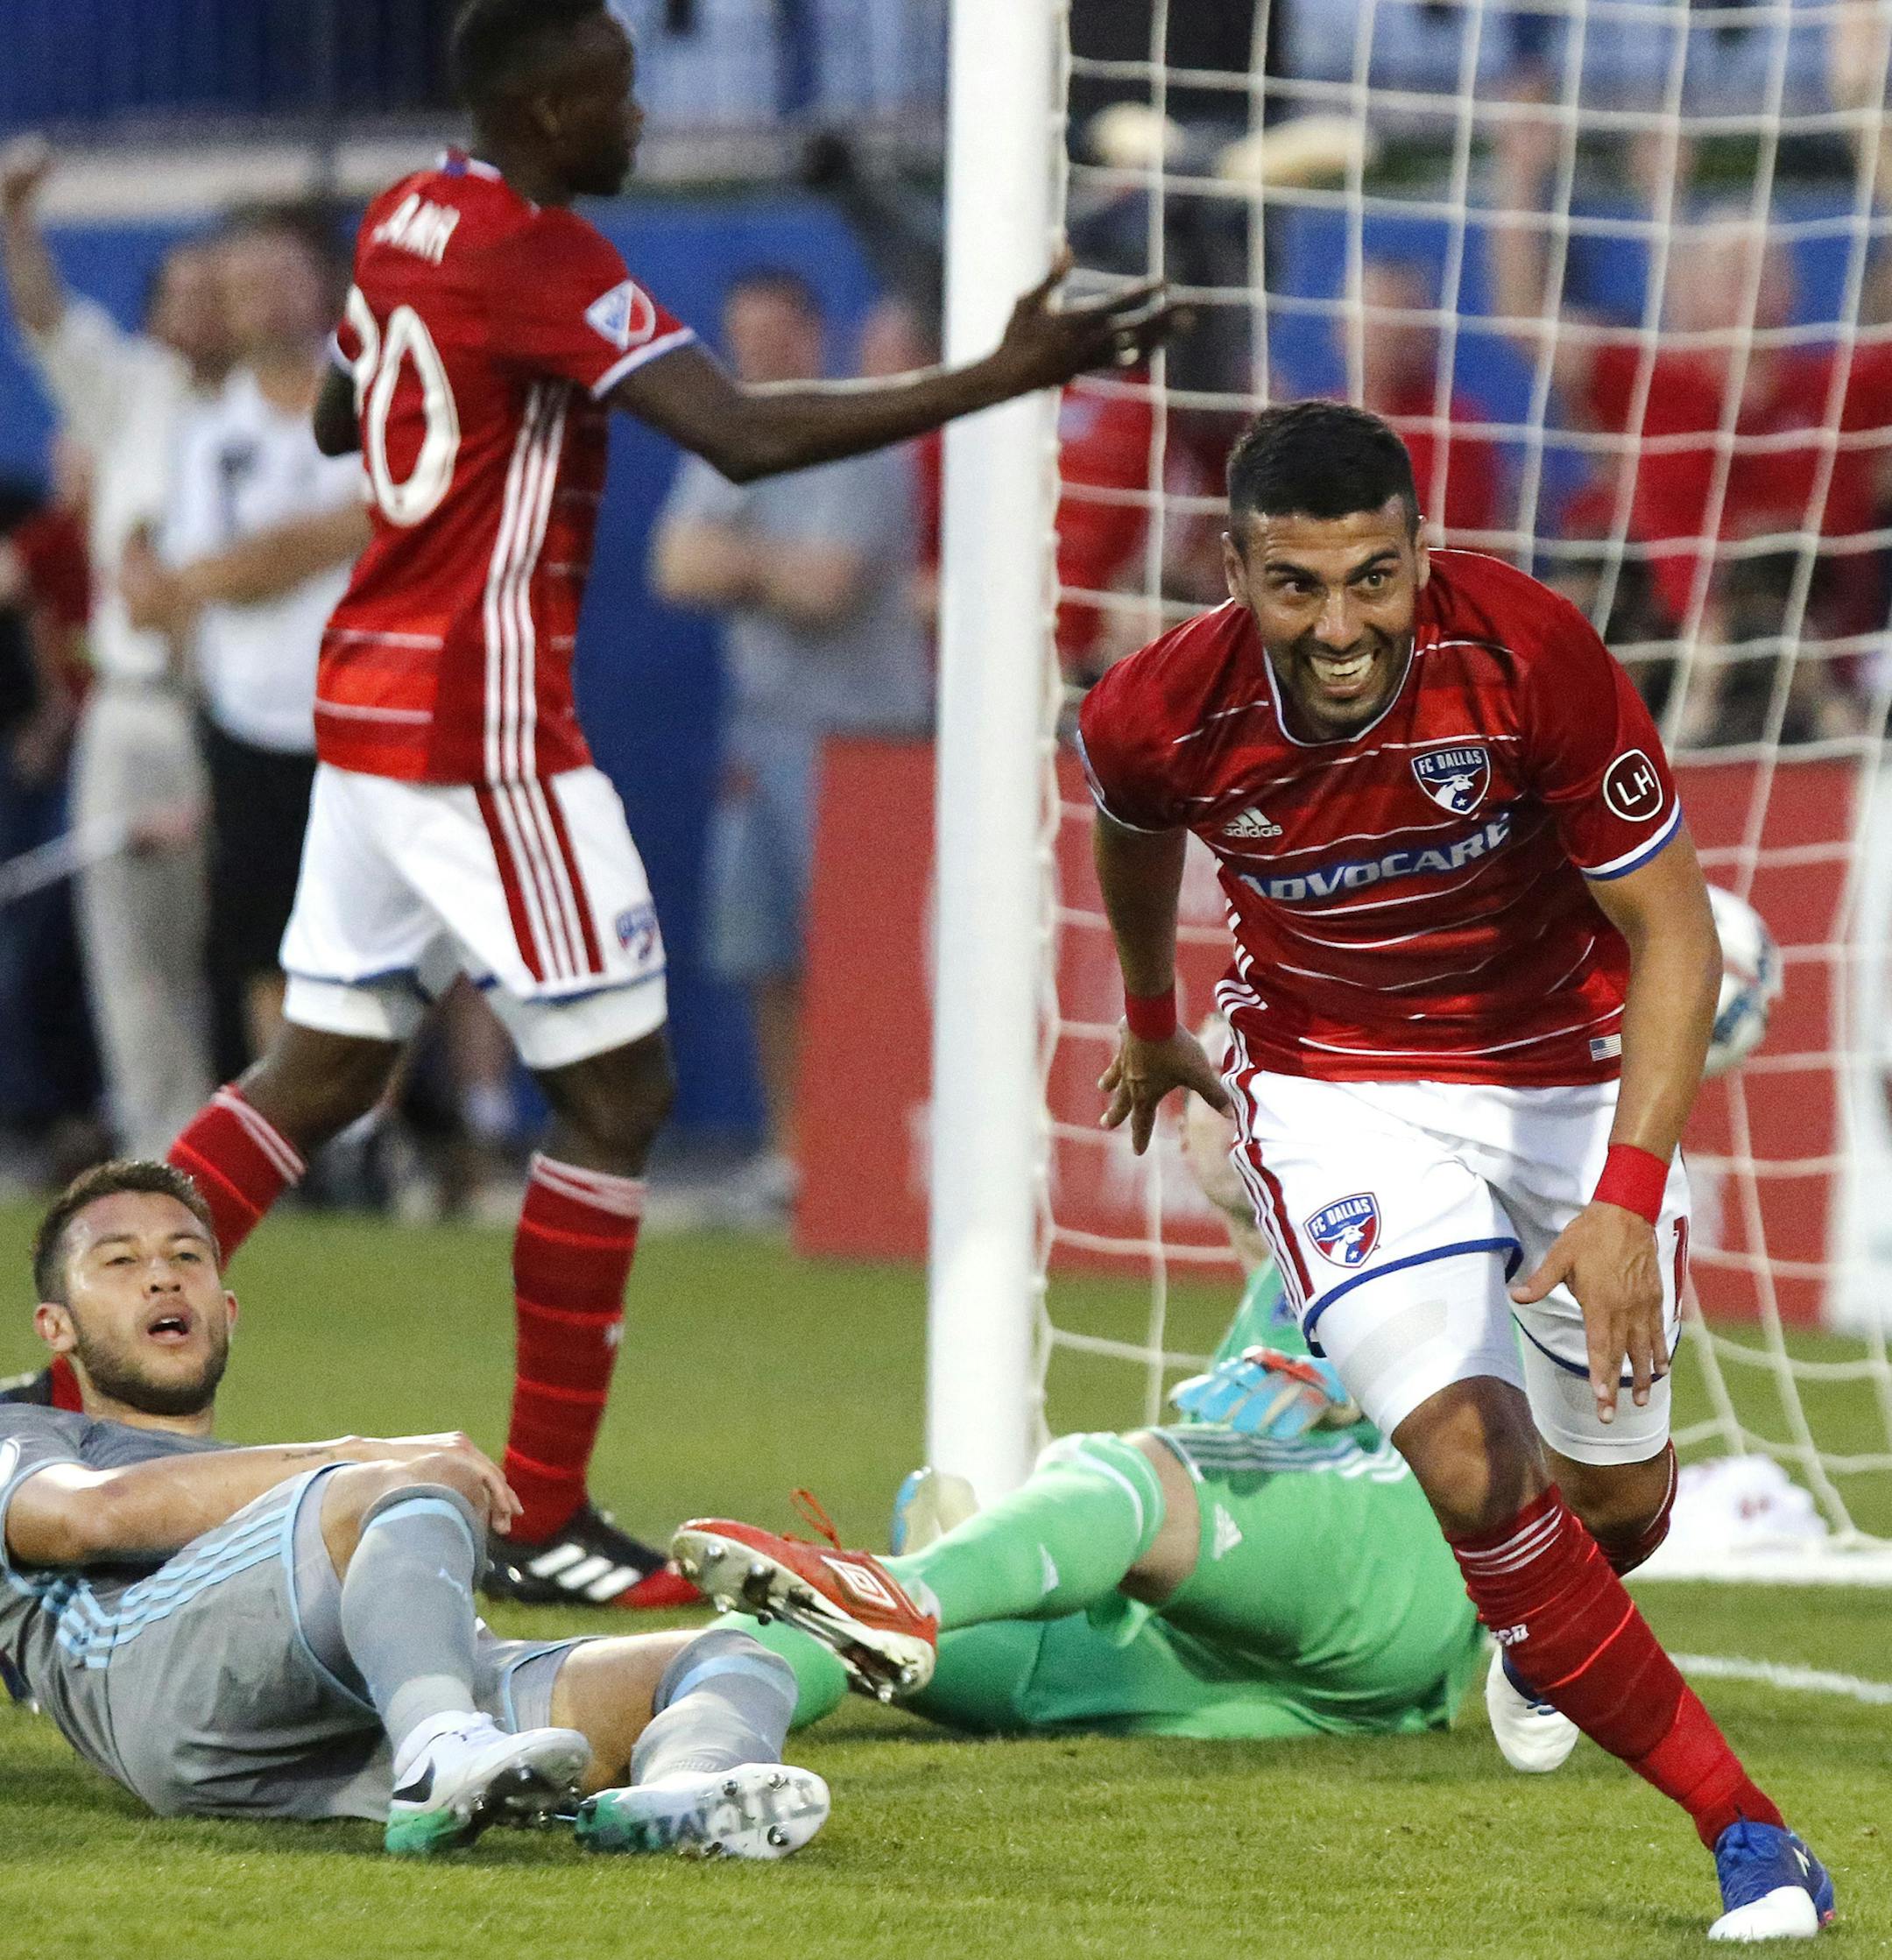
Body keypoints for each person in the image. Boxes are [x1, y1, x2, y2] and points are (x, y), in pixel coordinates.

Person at [158, 0, 1182, 1610]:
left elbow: (343, 414)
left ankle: (82, 1384)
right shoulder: (541, 256)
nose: (638, 121)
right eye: (617, 96)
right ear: (552, 113)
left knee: (322, 1062)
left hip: (367, 697)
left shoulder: (405, 213)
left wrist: (488, 416)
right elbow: (744, 435)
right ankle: (548, 1510)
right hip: (481, 727)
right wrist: (1008, 369)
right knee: (622, 1091)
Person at [1063, 398, 1832, 1942]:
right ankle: (1751, 1833)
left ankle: (1543, 1616)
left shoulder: (1530, 651)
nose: (1340, 627)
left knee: (1611, 1510)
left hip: (1564, 1075)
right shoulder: (1157, 708)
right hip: (1339, 1090)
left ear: (1422, 552)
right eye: (1297, 585)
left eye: (1373, 579)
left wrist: (1623, 1197)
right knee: (1477, 1468)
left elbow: (1673, 929)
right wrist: (1154, 1018)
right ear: (1235, 568)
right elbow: (1134, 826)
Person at [671, 1026, 1487, 1747]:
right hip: (1278, 1680)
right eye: (1220, 1078)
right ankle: (695, 1766)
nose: (1241, 1100)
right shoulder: (1257, 1304)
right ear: (1181, 1132)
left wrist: (1362, 1378)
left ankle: (907, 1587)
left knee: (1122, 1472)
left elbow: (1483, 1339)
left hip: (1399, 1588)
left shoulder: (1398, 1225)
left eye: (1267, 1074)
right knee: (803, 1622)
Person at [0, 1158, 829, 1860]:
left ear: (228, 1309)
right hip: (148, 1685)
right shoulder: (26, 1430)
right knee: (396, 1490)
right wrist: (369, 1458)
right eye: (118, 1262)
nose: (161, 1274)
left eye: (188, 1255)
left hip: (327, 1723)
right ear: (55, 1327)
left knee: (729, 1658)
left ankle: (678, 1799)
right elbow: (86, 1519)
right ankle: (441, 1752)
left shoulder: (274, 1493)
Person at [652, 267, 930, 1216]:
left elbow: (828, 589)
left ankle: (871, 1153)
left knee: (858, 957)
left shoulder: (857, 438)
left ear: (815, 332)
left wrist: (737, 562)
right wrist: (765, 567)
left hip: (863, 739)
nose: (759, 355)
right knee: (764, 952)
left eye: (775, 334)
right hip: (760, 730)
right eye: (744, 336)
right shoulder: (734, 437)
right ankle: (793, 1154)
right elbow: (673, 565)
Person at [0, 136, 229, 1162]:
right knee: (131, 949)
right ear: (154, 311)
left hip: (244, 705)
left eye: (218, 291)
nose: (206, 309)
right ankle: (163, 1151)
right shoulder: (130, 391)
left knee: (254, 936)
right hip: (135, 704)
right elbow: (45, 314)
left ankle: (282, 1147)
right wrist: (12, 215)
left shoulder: (282, 406)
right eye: (186, 291)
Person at [122, 207, 372, 1078]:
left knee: (384, 931)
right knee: (265, 933)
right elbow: (184, 582)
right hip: (249, 711)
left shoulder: (377, 398)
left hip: (371, 705)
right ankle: (302, 1134)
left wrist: (233, 571)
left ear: (324, 287)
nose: (261, 303)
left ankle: (378, 1129)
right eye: (243, 287)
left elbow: (387, 519)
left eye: (278, 281)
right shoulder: (206, 431)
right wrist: (292, 550)